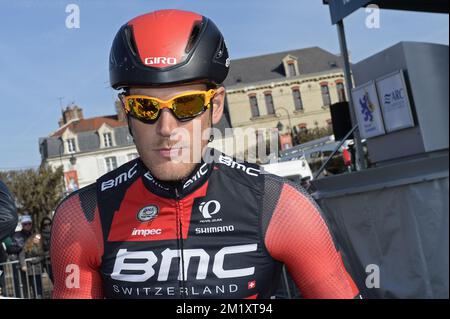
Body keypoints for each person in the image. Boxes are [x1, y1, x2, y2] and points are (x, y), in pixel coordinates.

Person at [51, 9, 360, 299]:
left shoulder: (281, 206)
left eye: (186, 105)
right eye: (145, 107)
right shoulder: (83, 217)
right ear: (126, 113)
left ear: (215, 106)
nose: (167, 128)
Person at [8, 214, 34, 298]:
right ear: (22, 225)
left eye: (29, 223)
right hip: (20, 266)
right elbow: (10, 249)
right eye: (25, 224)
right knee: (23, 288)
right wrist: (21, 248)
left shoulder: (34, 234)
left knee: (36, 287)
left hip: (33, 265)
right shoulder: (16, 235)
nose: (27, 225)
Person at [19, 233, 45, 298]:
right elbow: (21, 255)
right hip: (29, 269)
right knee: (29, 286)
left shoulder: (41, 246)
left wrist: (35, 260)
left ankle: (39, 296)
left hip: (37, 269)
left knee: (38, 286)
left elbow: (42, 256)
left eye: (38, 239)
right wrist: (23, 265)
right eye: (35, 238)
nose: (37, 240)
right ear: (32, 238)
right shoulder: (27, 245)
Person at [39, 217, 53, 282]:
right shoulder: (40, 236)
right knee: (54, 280)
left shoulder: (57, 232)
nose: (48, 226)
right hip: (48, 262)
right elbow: (39, 250)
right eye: (45, 225)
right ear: (42, 226)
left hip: (59, 261)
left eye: (49, 224)